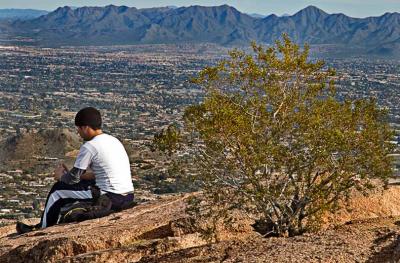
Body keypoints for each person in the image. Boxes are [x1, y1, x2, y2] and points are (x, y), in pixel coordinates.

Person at [16, 107, 134, 234]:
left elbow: (73, 179)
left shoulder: (90, 146)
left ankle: (41, 228)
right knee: (75, 186)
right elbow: (96, 175)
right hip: (127, 196)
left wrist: (60, 177)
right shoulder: (113, 140)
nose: (78, 132)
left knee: (58, 191)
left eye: (78, 128)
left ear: (85, 127)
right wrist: (72, 175)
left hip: (109, 197)